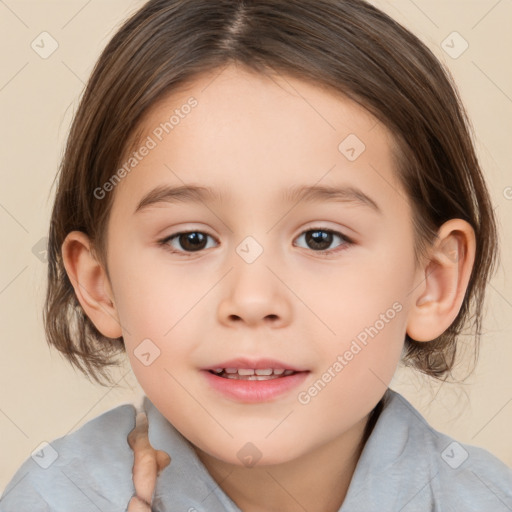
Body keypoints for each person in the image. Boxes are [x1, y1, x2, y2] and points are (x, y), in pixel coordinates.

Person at [1, 0, 511, 510]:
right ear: (99, 283)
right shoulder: (54, 498)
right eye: (190, 240)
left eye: (321, 239)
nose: (251, 299)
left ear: (432, 281)